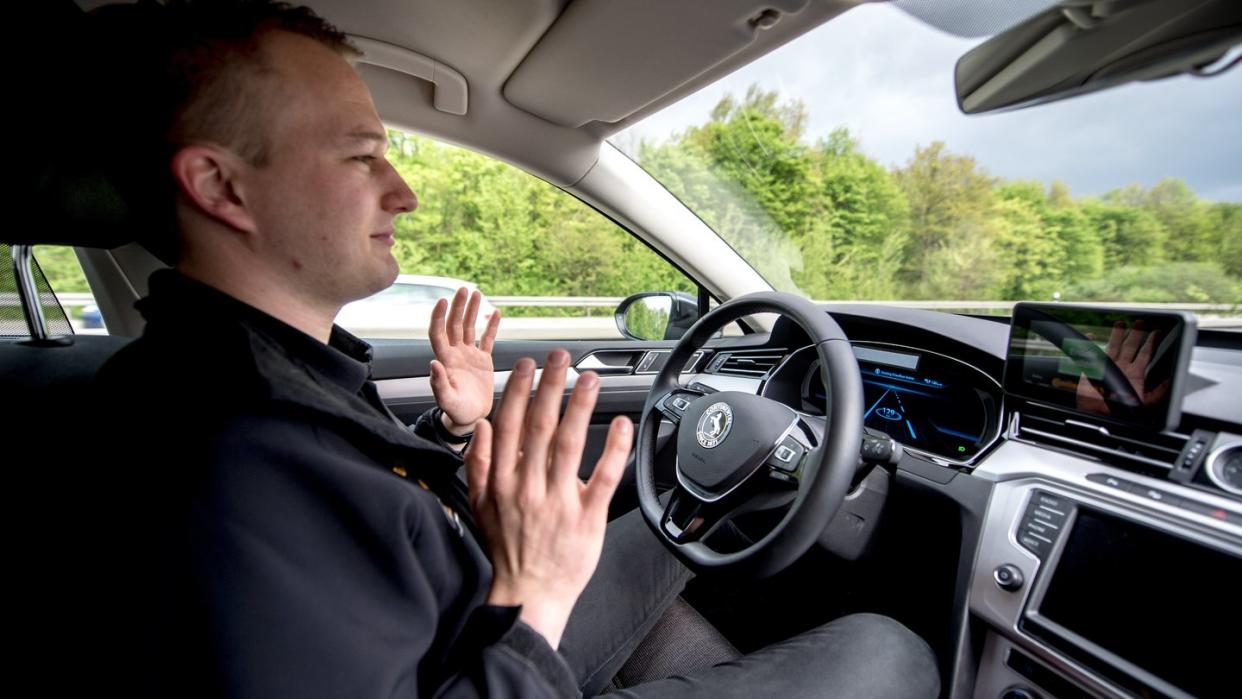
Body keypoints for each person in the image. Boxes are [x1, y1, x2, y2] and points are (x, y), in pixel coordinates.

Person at [88, 1, 941, 697]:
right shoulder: (224, 464)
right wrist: (534, 593)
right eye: (361, 157)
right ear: (221, 186)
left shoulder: (274, 372)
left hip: (466, 621)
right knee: (884, 650)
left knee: (670, 516)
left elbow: (383, 524)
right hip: (487, 653)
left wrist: (458, 438)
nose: (406, 192)